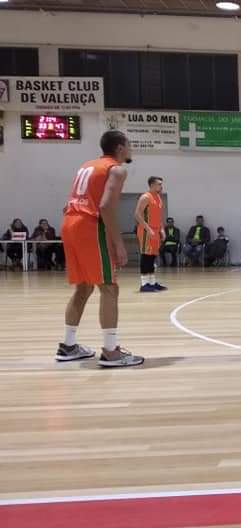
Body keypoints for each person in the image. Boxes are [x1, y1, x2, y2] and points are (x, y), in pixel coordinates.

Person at [57, 130, 143, 367]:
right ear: (120, 148)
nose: (131, 149)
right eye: (129, 144)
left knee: (84, 287)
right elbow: (105, 206)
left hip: (70, 223)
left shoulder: (87, 165)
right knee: (109, 288)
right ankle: (111, 352)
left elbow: (70, 203)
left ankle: (68, 346)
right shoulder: (116, 169)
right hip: (90, 226)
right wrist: (119, 243)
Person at [133, 176, 167, 292]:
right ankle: (144, 284)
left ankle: (152, 282)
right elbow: (137, 214)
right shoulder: (145, 197)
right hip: (146, 231)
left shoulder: (158, 198)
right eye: (159, 184)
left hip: (156, 230)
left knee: (152, 256)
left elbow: (158, 216)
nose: (161, 186)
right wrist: (148, 229)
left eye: (161, 184)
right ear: (152, 185)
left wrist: (162, 229)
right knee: (146, 256)